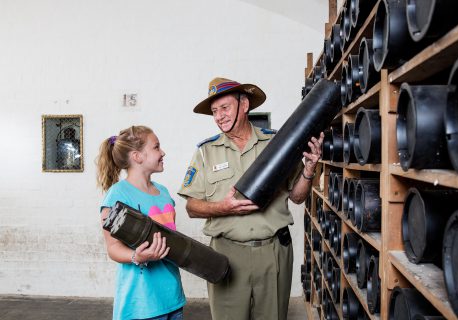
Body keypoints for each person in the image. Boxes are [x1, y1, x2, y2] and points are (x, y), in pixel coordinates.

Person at [178, 77, 323, 320]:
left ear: (244, 105)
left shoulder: (277, 143)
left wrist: (309, 170)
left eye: (225, 108)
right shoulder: (205, 152)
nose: (219, 116)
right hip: (227, 254)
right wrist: (223, 208)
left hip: (273, 252)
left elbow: (298, 198)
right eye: (214, 111)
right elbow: (191, 207)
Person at [96, 125, 186, 320]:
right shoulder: (117, 196)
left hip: (173, 298)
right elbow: (113, 248)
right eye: (156, 147)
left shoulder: (163, 192)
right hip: (141, 304)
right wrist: (137, 256)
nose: (163, 152)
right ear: (137, 156)